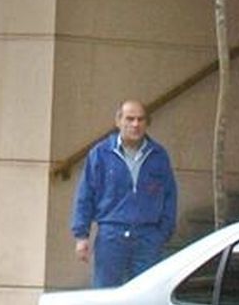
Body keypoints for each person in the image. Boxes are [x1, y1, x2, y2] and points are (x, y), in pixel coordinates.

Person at [71, 99, 177, 288]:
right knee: (106, 296)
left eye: (140, 119)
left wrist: (163, 233)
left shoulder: (158, 155)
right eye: (130, 119)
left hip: (148, 237)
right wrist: (81, 236)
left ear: (146, 122)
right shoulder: (101, 153)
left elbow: (170, 196)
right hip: (112, 235)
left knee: (147, 295)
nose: (135, 124)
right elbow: (85, 196)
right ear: (118, 121)